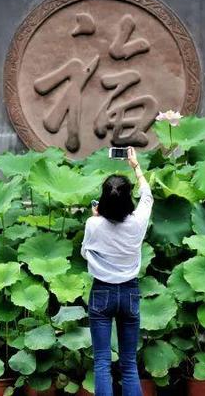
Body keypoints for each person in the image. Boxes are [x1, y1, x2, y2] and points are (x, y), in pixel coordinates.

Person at [80, 146, 154, 396]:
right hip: (130, 293)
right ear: (126, 200)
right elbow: (147, 197)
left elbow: (85, 253)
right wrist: (135, 166)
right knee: (129, 364)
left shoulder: (93, 224)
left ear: (102, 200)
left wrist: (97, 217)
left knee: (102, 362)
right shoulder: (137, 222)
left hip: (102, 292)